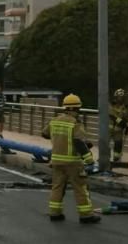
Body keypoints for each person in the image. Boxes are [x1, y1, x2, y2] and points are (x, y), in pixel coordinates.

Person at [42, 94, 101, 224]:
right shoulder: (75, 123)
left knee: (57, 187)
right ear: (75, 109)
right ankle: (86, 215)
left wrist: (58, 140)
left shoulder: (55, 120)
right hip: (72, 162)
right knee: (80, 188)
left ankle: (55, 213)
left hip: (56, 161)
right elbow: (79, 142)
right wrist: (89, 160)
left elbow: (44, 134)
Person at [110, 88, 128, 163]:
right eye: (118, 97)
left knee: (118, 144)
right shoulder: (111, 105)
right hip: (109, 128)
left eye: (122, 97)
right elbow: (111, 115)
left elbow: (127, 118)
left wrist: (126, 125)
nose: (120, 99)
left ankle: (116, 159)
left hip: (118, 129)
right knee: (105, 144)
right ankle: (104, 158)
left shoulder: (126, 107)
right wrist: (120, 121)